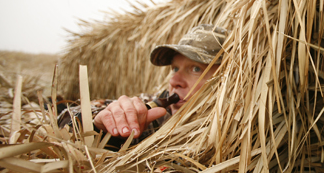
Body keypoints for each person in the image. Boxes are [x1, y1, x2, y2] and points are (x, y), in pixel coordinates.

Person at [92, 24, 228, 140]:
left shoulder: (235, 129)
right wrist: (102, 130)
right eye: (175, 68)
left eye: (196, 69)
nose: (174, 81)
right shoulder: (155, 110)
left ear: (226, 78)